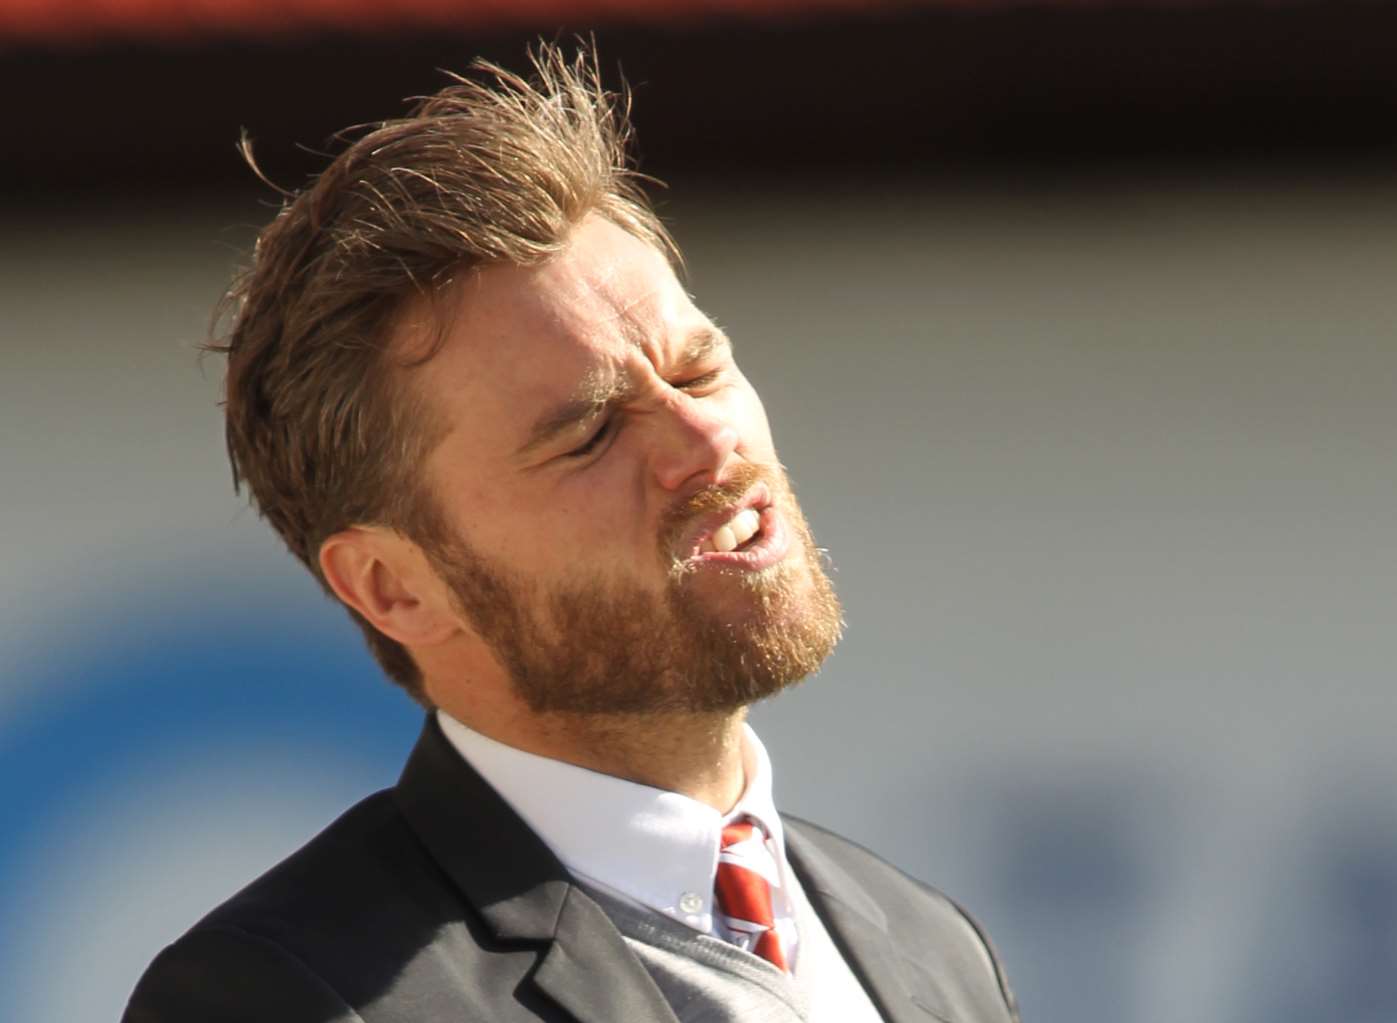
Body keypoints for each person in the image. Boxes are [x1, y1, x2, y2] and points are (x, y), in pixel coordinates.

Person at [123, 45, 1019, 1023]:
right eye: (590, 432)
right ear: (393, 586)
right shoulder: (284, 998)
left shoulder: (930, 949)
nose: (704, 440)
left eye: (697, 371)